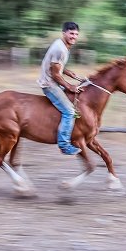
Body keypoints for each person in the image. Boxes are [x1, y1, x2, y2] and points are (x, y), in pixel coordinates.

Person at [38, 21, 85, 155]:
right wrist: (70, 86)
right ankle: (64, 145)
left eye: (76, 34)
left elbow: (57, 67)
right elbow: (55, 74)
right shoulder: (60, 49)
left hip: (53, 81)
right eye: (71, 33)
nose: (74, 36)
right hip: (49, 84)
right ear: (64, 33)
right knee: (69, 112)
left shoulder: (62, 45)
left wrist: (70, 73)